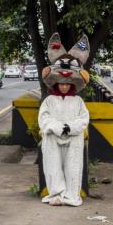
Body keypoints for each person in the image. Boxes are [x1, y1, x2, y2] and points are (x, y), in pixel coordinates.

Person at [38, 33, 90, 207]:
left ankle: (71, 195)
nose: (64, 85)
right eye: (61, 83)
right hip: (52, 137)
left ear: (72, 85)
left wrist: (69, 128)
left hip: (74, 137)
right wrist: (57, 127)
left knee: (73, 167)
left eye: (67, 84)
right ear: (56, 83)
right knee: (52, 166)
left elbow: (84, 119)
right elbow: (44, 118)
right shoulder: (49, 100)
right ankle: (56, 194)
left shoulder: (78, 101)